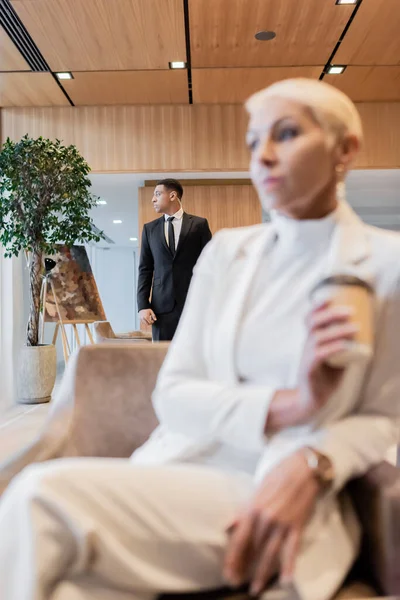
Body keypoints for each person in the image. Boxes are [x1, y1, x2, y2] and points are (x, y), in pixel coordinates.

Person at [0, 78, 400, 600]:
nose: (265, 156)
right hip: (178, 466)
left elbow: (383, 418)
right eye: (255, 142)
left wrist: (314, 463)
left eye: (286, 134)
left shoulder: (385, 264)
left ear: (345, 149)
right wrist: (290, 404)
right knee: (68, 584)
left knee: (37, 497)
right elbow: (174, 392)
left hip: (283, 489)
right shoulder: (229, 254)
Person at [137, 178, 212, 341]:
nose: (153, 199)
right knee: (162, 358)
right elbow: (145, 269)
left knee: (195, 357)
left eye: (157, 194)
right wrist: (143, 305)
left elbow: (210, 266)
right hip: (161, 309)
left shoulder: (199, 225)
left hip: (194, 304)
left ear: (172, 195)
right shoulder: (150, 229)